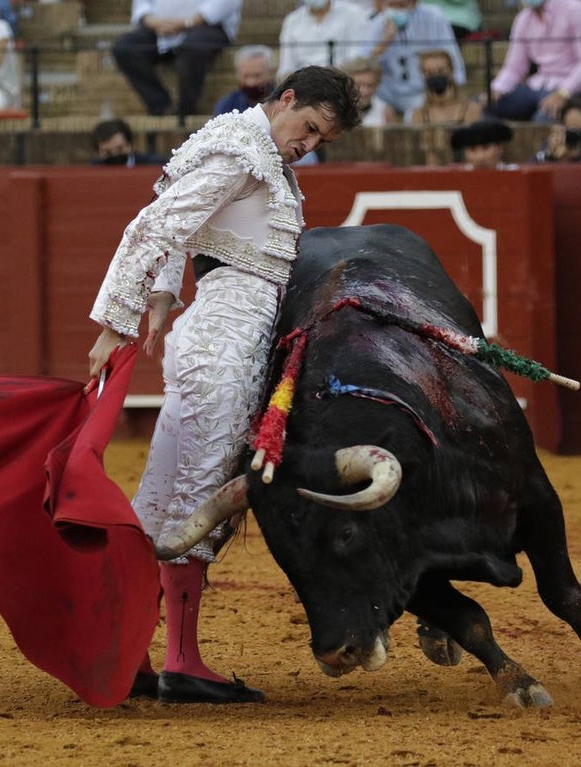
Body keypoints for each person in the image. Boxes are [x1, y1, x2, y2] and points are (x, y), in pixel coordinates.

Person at [85, 65, 362, 705]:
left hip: (217, 336)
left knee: (163, 498)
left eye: (322, 140)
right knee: (201, 494)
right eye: (310, 127)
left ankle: (123, 652)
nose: (309, 145)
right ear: (285, 99)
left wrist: (161, 294)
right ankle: (180, 662)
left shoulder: (245, 146)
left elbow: (179, 225)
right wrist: (116, 324)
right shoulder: (243, 152)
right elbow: (154, 228)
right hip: (227, 341)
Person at [113, 0, 242, 117]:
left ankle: (185, 113)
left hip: (208, 26)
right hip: (159, 29)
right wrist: (153, 22)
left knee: (193, 49)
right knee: (125, 48)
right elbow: (142, 5)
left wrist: (188, 22)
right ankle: (162, 107)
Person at [486, 0, 581, 123]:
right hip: (537, 85)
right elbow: (514, 67)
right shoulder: (523, 19)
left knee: (543, 119)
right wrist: (495, 90)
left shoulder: (577, 10)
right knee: (484, 106)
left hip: (572, 89)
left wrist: (563, 93)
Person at [367, 0, 466, 116]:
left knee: (416, 115)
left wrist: (456, 85)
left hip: (420, 90)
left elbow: (451, 54)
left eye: (402, 5)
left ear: (414, 2)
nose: (397, 9)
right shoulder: (377, 21)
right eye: (392, 5)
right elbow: (362, 64)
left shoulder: (434, 16)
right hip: (386, 91)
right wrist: (384, 41)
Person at [277, 0, 371, 80]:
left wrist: (327, 78)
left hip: (341, 82)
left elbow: (358, 59)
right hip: (302, 87)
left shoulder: (354, 14)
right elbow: (286, 67)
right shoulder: (292, 20)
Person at [405, 48, 482, 125]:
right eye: (429, 73)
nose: (435, 75)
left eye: (441, 71)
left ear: (451, 71)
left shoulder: (471, 110)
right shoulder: (418, 115)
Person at [212, 45, 276, 115]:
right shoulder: (227, 105)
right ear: (238, 75)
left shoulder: (283, 102)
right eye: (246, 76)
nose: (251, 82)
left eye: (257, 75)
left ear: (271, 73)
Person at [90, 117, 167, 166]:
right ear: (98, 152)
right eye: (107, 152)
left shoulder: (154, 165)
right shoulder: (93, 171)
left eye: (120, 149)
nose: (115, 154)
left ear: (130, 145)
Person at [343, 56, 395, 126]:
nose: (365, 91)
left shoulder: (385, 112)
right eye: (359, 84)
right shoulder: (338, 110)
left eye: (370, 85)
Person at [450, 117, 514, 168]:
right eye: (472, 149)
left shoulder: (515, 174)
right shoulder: (457, 178)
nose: (480, 157)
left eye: (486, 148)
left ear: (499, 148)